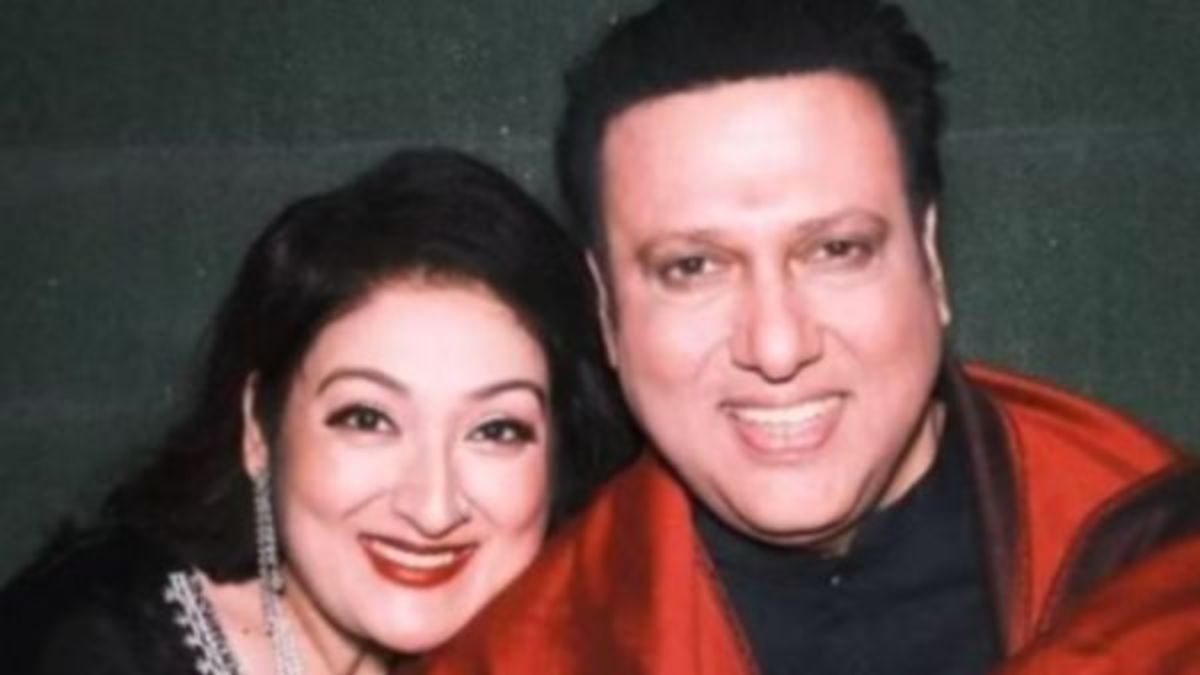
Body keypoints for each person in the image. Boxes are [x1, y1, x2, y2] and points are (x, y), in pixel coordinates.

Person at [420, 1, 1200, 673]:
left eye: (835, 250)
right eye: (692, 267)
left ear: (930, 260)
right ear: (606, 310)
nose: (777, 346)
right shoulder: (526, 654)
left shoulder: (1159, 558)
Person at [0, 148, 635, 673]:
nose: (432, 508)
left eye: (496, 430)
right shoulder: (90, 646)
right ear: (259, 431)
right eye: (368, 419)